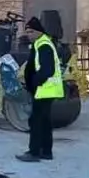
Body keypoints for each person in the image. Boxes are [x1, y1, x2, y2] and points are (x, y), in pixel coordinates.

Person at [17, 17, 66, 162]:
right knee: (44, 121)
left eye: (31, 31)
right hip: (44, 89)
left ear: (39, 32)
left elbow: (47, 70)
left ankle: (34, 152)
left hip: (45, 89)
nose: (29, 34)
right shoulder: (39, 44)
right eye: (27, 31)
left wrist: (35, 82)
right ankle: (45, 151)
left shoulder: (44, 45)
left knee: (36, 121)